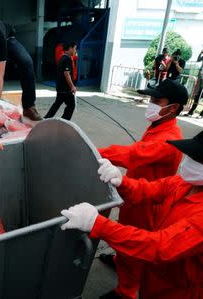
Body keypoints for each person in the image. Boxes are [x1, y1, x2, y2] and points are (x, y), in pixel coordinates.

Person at [61, 129, 203, 298]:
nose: (187, 162)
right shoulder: (184, 183)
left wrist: (97, 224)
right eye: (189, 155)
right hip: (155, 275)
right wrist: (121, 181)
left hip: (178, 288)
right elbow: (149, 190)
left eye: (196, 159)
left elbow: (159, 247)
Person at [97, 79, 187, 299]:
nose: (151, 103)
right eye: (151, 99)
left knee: (134, 242)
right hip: (134, 191)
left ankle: (126, 291)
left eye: (157, 100)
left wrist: (92, 151)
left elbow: (132, 154)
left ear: (173, 108)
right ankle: (120, 261)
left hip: (148, 202)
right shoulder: (158, 126)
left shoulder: (170, 139)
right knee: (124, 230)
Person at [45, 42, 77, 120]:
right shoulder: (67, 59)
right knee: (71, 105)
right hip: (65, 89)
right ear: (70, 48)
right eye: (75, 48)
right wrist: (72, 86)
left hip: (60, 87)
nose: (75, 50)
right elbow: (66, 73)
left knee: (57, 104)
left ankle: (46, 119)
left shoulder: (62, 58)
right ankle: (64, 120)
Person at [184, 49, 203, 118]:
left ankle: (201, 114)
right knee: (197, 96)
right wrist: (200, 53)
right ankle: (191, 112)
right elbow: (198, 60)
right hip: (201, 78)